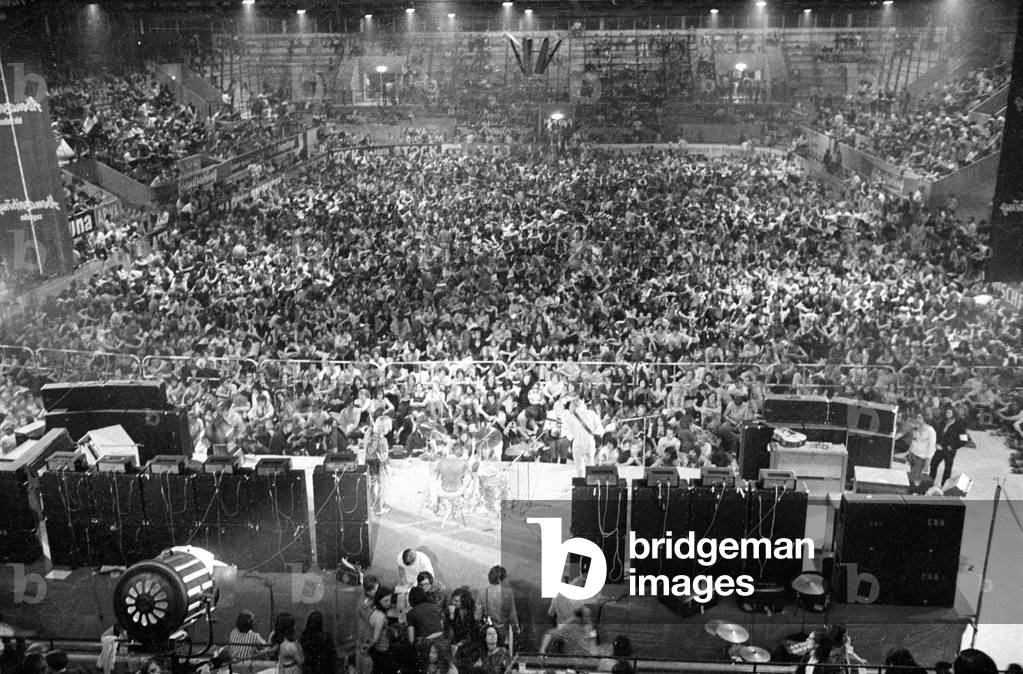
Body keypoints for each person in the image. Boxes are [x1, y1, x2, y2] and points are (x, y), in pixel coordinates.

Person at [477, 565, 518, 651]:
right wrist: (516, 628)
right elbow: (512, 615)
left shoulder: (481, 592)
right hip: (503, 632)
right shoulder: (508, 592)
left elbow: (477, 616)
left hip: (487, 632)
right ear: (500, 579)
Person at [931, 405, 969, 487]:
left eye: (949, 412)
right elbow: (938, 433)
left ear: (953, 413)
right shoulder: (943, 422)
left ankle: (944, 486)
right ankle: (930, 482)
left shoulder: (960, 424)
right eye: (946, 412)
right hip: (940, 448)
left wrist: (953, 447)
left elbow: (964, 440)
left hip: (950, 450)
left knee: (947, 468)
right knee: (933, 464)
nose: (947, 414)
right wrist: (937, 443)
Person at [364, 587, 397, 674]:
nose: (389, 603)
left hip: (377, 651)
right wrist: (368, 646)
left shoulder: (374, 611)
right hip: (382, 650)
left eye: (389, 600)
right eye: (385, 601)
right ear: (379, 600)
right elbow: (375, 639)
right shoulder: (380, 617)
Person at [907, 411, 936, 480]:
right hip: (913, 454)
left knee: (915, 477)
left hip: (921, 457)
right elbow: (914, 440)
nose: (917, 419)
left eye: (919, 418)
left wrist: (928, 460)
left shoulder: (931, 431)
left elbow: (931, 447)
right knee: (912, 474)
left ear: (925, 419)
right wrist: (910, 451)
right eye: (917, 417)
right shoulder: (917, 427)